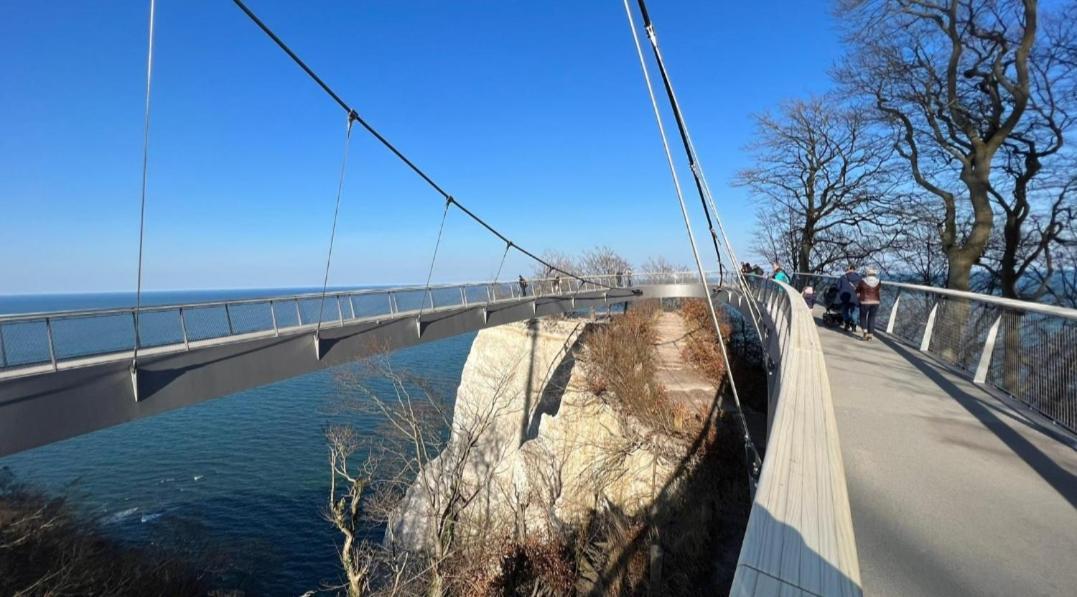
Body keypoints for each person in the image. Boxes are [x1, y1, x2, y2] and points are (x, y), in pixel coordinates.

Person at [856, 267, 882, 340]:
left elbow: (857, 290)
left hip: (865, 301)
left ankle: (865, 330)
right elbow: (878, 289)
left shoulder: (863, 281)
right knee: (872, 317)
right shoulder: (878, 281)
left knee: (863, 316)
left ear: (867, 273)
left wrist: (858, 293)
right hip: (876, 301)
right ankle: (870, 334)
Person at [837, 265, 861, 332]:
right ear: (854, 269)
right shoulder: (859, 278)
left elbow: (838, 287)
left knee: (845, 311)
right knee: (855, 312)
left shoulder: (843, 277)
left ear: (848, 269)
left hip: (844, 297)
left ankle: (847, 324)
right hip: (855, 298)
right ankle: (854, 325)